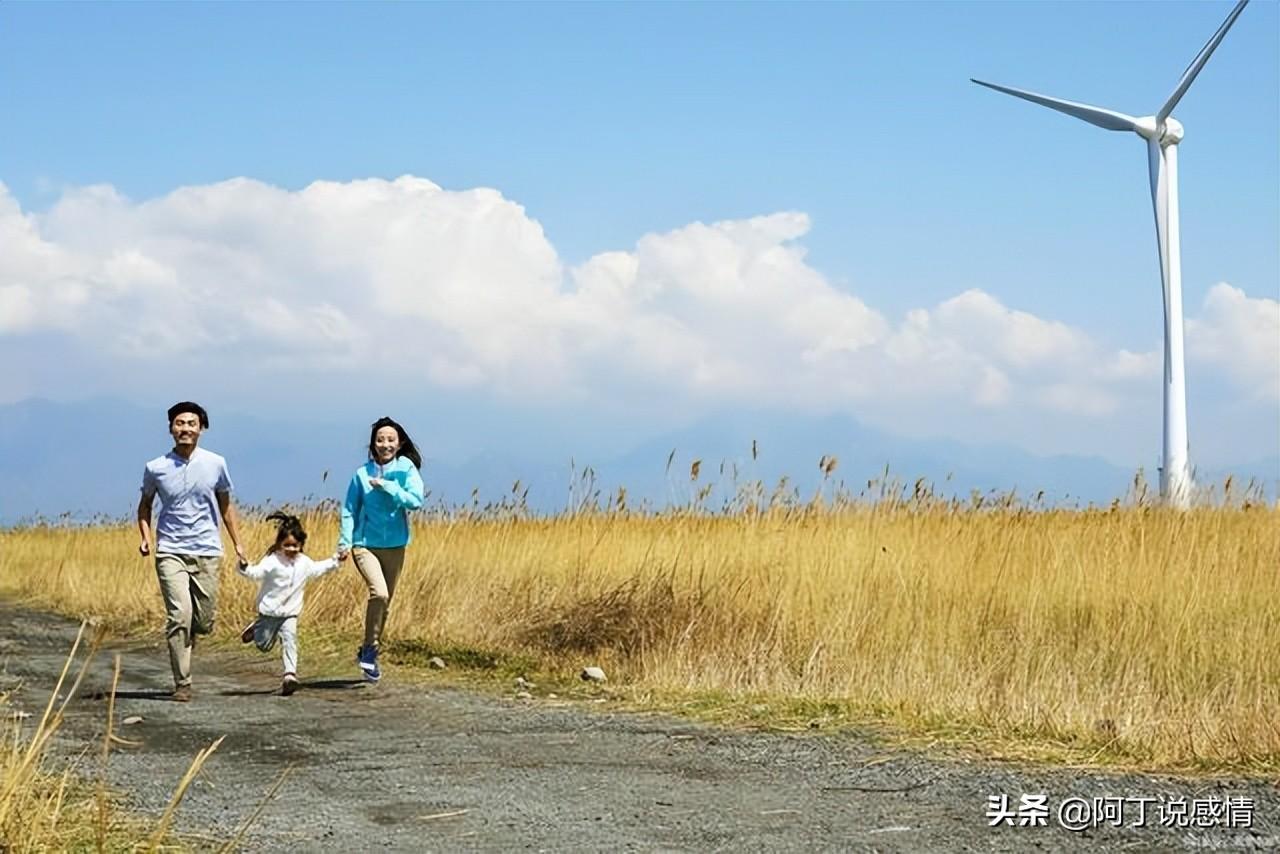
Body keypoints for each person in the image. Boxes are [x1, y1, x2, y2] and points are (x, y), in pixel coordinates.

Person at [137, 401, 247, 702]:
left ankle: (192, 633)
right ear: (171, 428)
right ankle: (182, 683)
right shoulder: (155, 467)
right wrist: (146, 537)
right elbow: (145, 506)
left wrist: (237, 542)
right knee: (179, 615)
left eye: (191, 423)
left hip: (207, 549)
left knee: (203, 621)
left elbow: (226, 505)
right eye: (179, 423)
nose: (185, 428)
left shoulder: (216, 463)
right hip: (170, 549)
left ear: (201, 428)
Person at [338, 416, 425, 683]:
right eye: (380, 439)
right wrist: (345, 542)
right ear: (373, 444)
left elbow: (416, 501)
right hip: (365, 545)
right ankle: (370, 649)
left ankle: (369, 649)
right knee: (379, 592)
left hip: (396, 545)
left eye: (390, 439)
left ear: (399, 444)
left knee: (385, 603)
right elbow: (349, 509)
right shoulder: (361, 474)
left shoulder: (406, 469)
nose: (385, 444)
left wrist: (388, 486)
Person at [237, 511, 348, 695]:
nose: (291, 550)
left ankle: (290, 675)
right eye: (287, 545)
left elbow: (319, 568)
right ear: (280, 544)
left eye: (295, 546)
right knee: (263, 646)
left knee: (290, 639)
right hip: (269, 612)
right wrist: (244, 567)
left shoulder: (304, 563)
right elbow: (256, 573)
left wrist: (336, 560)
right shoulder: (272, 561)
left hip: (290, 613)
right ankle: (256, 628)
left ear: (301, 545)